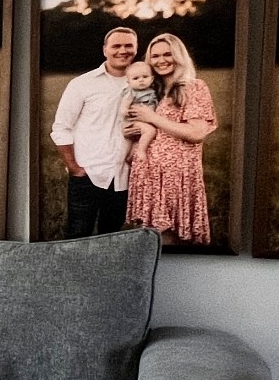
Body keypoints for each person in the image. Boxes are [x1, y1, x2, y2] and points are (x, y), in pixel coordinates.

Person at [124, 32, 217, 245]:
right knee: (150, 243)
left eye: (168, 54)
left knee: (169, 241)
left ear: (179, 56)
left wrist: (152, 118)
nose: (161, 60)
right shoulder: (150, 89)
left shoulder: (193, 86)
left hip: (176, 177)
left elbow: (196, 133)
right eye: (155, 56)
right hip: (148, 175)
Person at [49, 25, 138, 236]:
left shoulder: (144, 84)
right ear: (105, 50)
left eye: (129, 46)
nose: (122, 51)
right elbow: (61, 127)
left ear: (136, 49)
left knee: (112, 237)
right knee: (78, 236)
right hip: (88, 174)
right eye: (116, 46)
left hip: (124, 177)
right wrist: (74, 168)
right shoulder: (82, 84)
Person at [121, 60, 160, 166]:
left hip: (145, 120)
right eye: (136, 78)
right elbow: (124, 106)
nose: (141, 80)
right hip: (134, 121)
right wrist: (127, 111)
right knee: (150, 131)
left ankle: (130, 157)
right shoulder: (131, 92)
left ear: (152, 78)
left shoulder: (152, 91)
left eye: (145, 77)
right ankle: (141, 151)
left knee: (139, 140)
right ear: (128, 82)